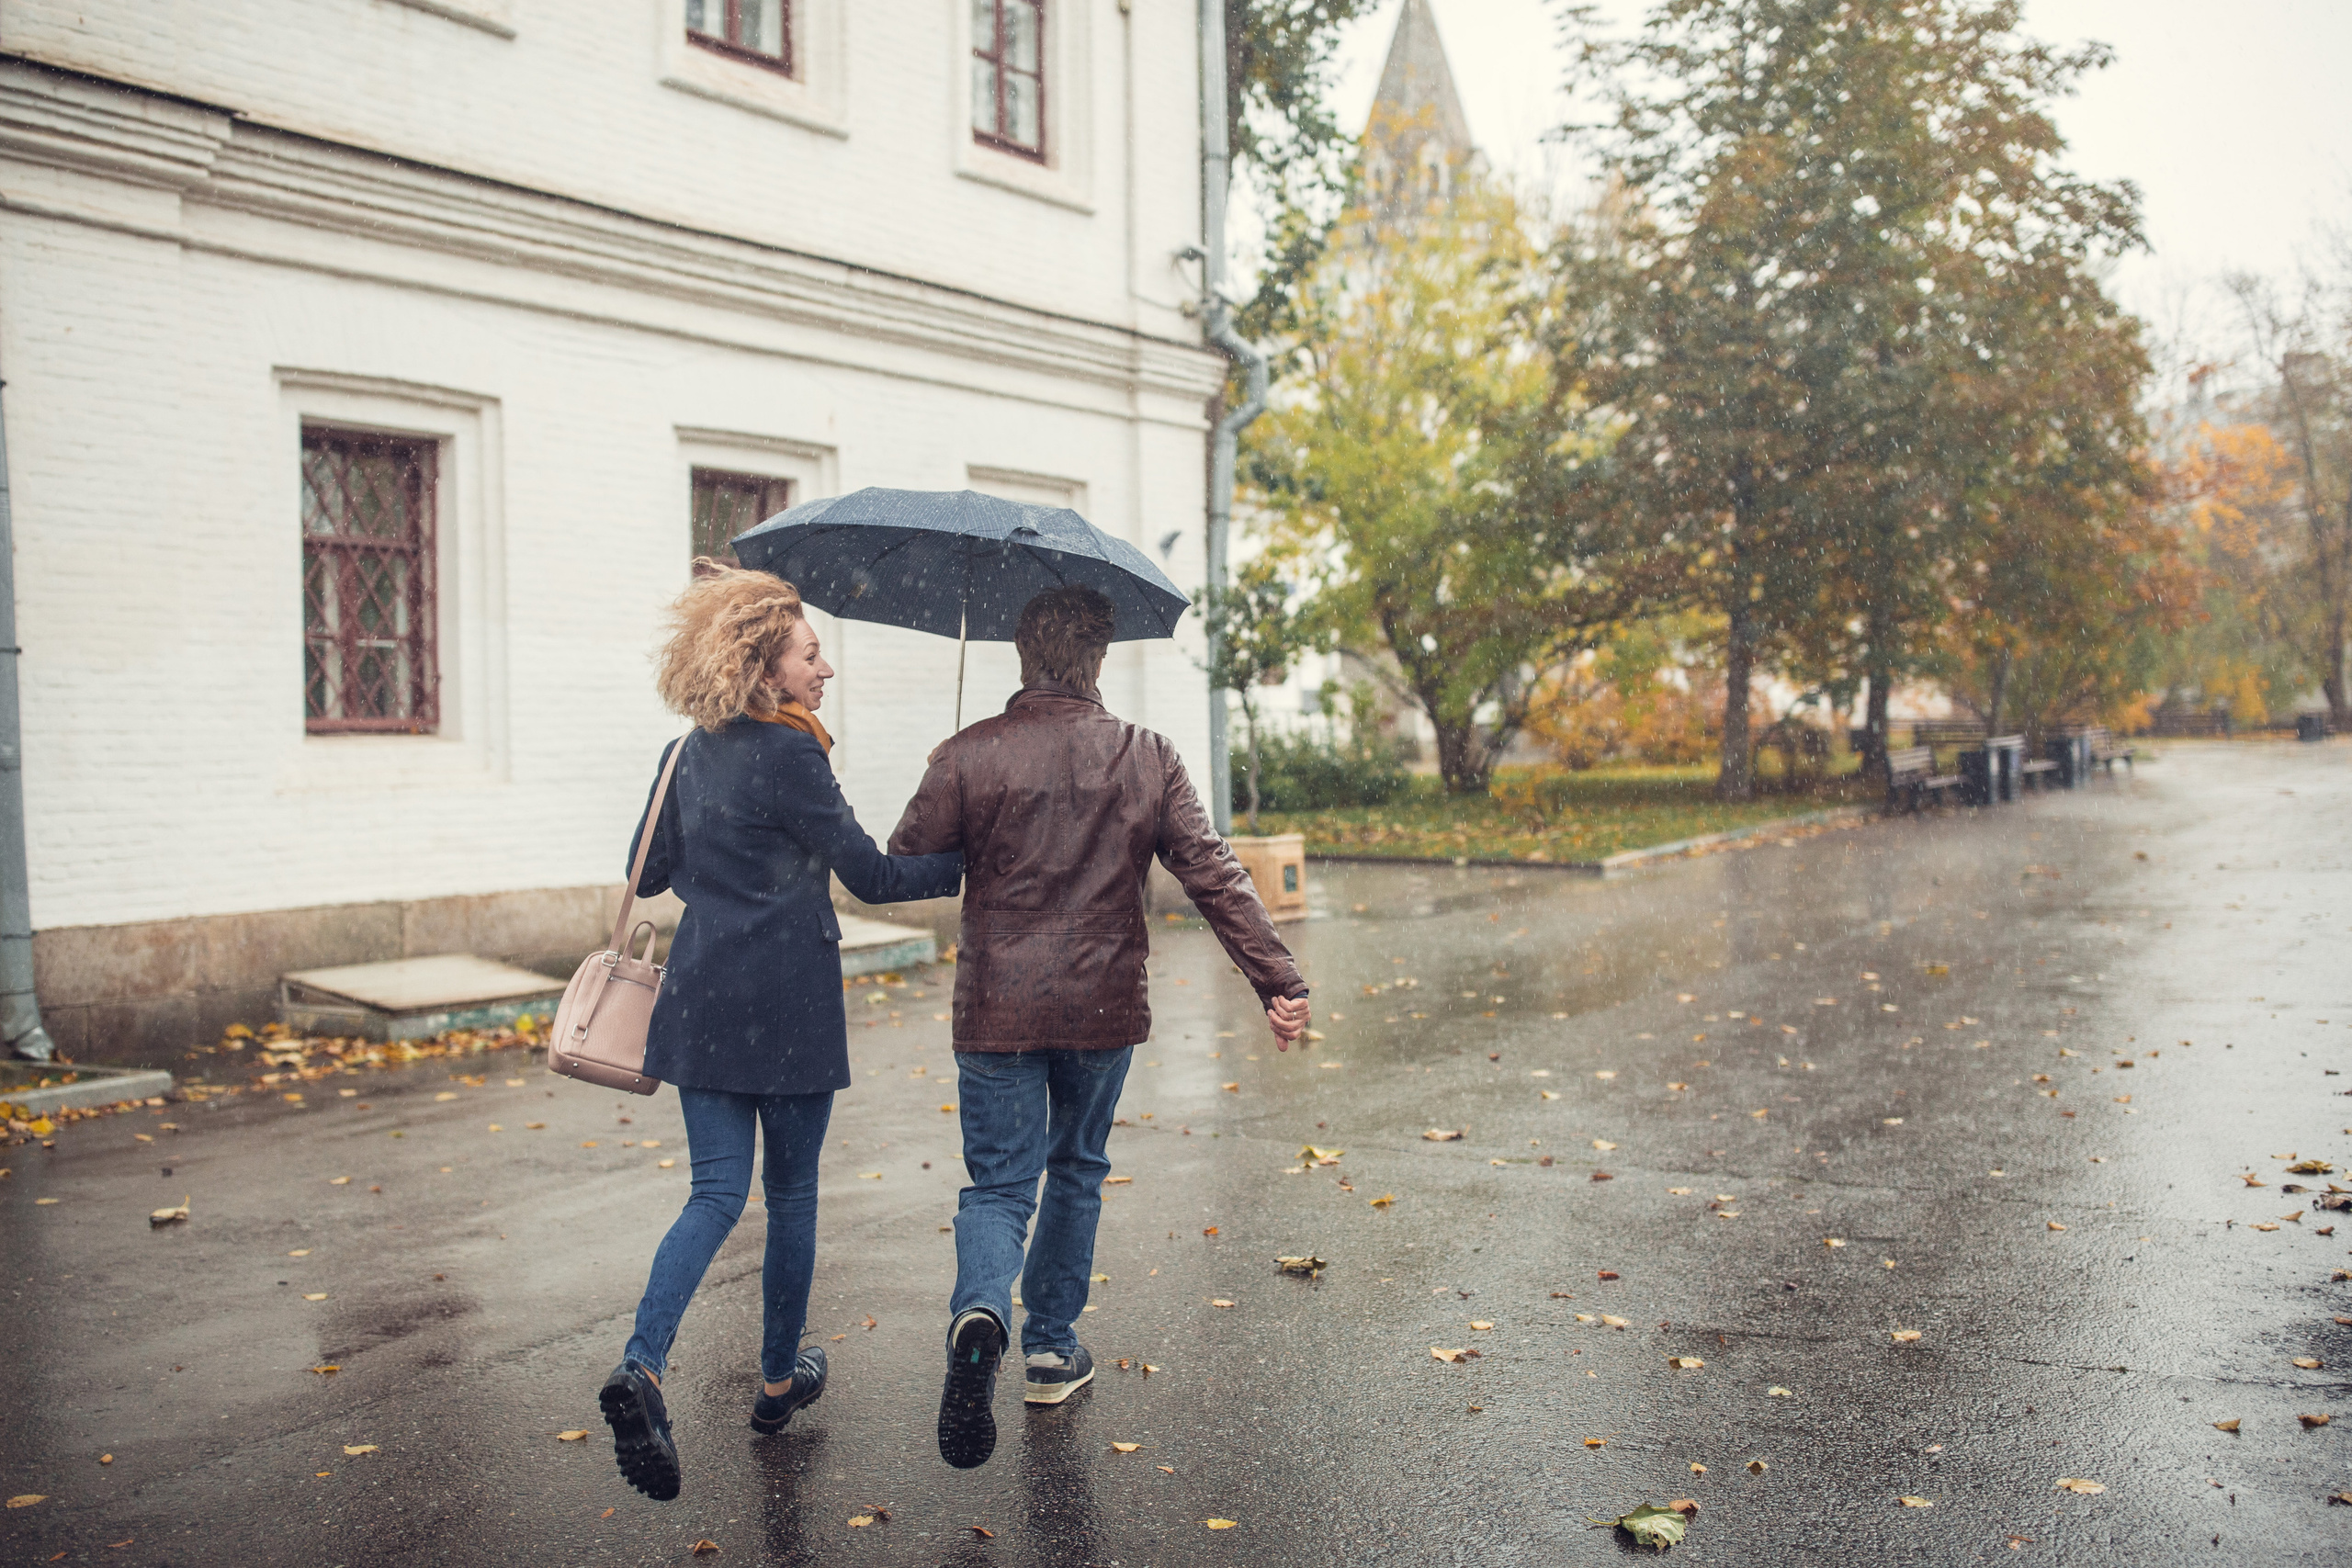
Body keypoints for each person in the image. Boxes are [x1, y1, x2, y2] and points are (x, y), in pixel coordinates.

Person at [888, 583, 1311, 1470]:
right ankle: (1048, 1344)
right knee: (1076, 1166)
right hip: (1102, 1006)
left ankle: (980, 1311)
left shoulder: (973, 753)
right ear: (1098, 660)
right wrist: (1276, 976)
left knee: (1000, 1186)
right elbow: (1213, 873)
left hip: (996, 1007)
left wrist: (950, 776)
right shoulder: (1146, 755)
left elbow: (907, 862)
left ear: (1019, 652)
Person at [599, 561, 965, 1503]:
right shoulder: (792, 754)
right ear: (766, 670)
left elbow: (649, 874)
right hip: (790, 1005)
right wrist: (970, 859)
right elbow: (874, 877)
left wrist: (724, 877)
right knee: (791, 1198)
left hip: (702, 997)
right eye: (810, 654)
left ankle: (641, 1367)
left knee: (714, 1195)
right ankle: (773, 1385)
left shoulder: (686, 752)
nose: (825, 669)